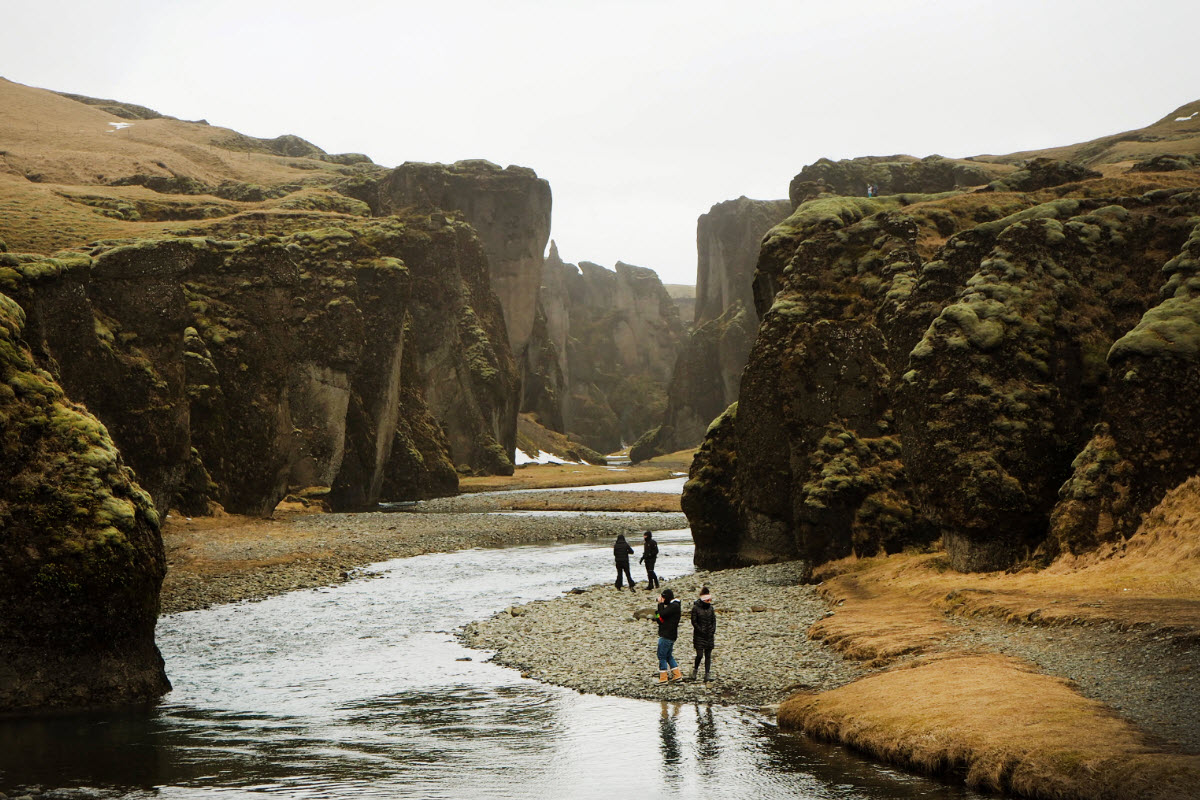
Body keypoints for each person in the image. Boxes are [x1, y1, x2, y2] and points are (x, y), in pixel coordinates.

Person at [655, 588, 683, 682]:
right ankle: (677, 674)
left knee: (662, 656)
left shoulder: (674, 606)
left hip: (667, 635)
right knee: (668, 655)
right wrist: (657, 613)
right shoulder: (673, 607)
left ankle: (663, 677)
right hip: (669, 635)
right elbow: (659, 618)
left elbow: (662, 614)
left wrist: (660, 604)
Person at [690, 587, 716, 682]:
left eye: (710, 600)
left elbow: (714, 620)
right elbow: (694, 621)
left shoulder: (711, 608)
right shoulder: (696, 608)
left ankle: (707, 674)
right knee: (700, 655)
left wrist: (712, 630)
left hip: (709, 635)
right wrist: (700, 630)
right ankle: (695, 670)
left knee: (708, 655)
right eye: (708, 600)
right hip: (699, 635)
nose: (709, 601)